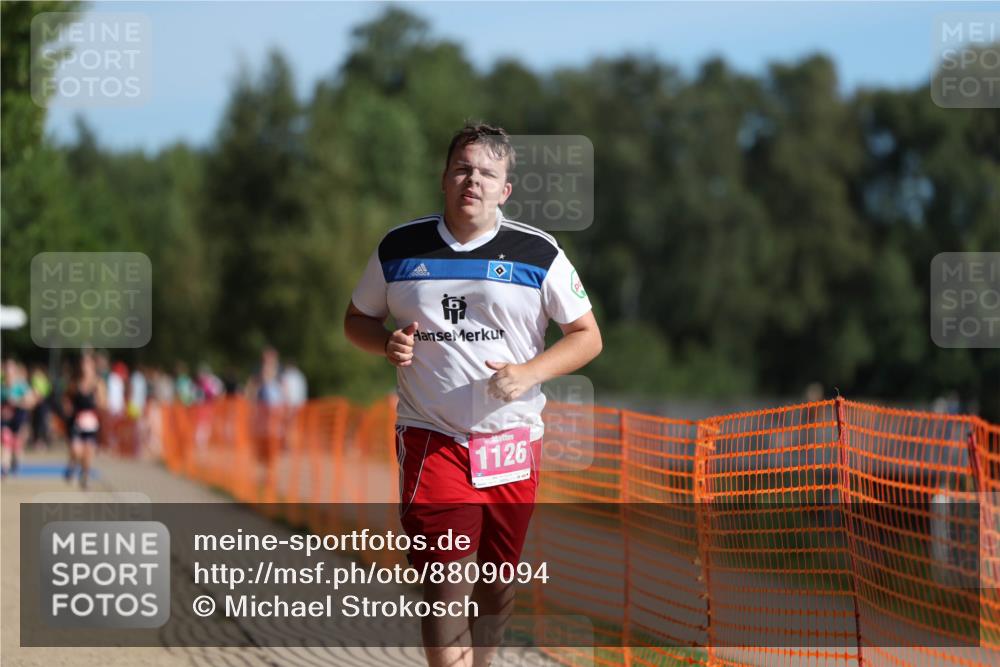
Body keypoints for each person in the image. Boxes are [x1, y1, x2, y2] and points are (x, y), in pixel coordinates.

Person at [344, 122, 602, 667]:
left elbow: (587, 337)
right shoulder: (400, 246)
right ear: (444, 177)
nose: (473, 181)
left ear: (504, 190)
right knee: (445, 582)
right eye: (463, 168)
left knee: (497, 580)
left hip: (510, 439)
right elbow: (356, 320)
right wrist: (385, 342)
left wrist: (529, 372)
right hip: (430, 436)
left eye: (487, 173)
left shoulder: (539, 253)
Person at [63, 353, 107, 489]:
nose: (84, 367)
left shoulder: (98, 383)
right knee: (76, 451)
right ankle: (72, 464)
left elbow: (104, 403)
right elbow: (66, 398)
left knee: (88, 452)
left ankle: (85, 476)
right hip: (76, 422)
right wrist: (67, 407)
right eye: (83, 364)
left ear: (92, 366)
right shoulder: (75, 382)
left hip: (91, 423)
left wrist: (98, 401)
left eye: (87, 364)